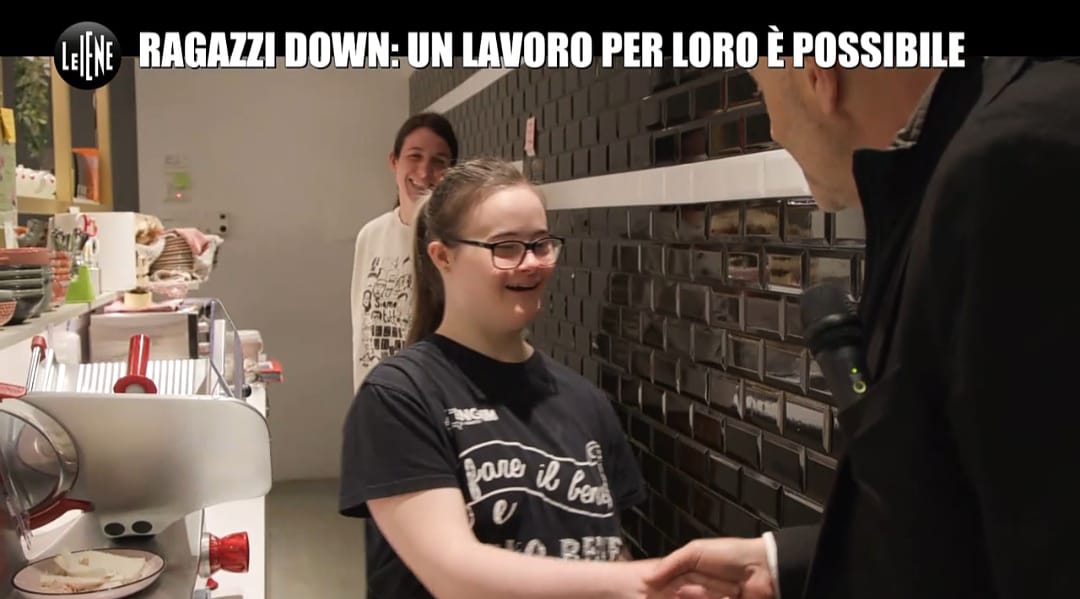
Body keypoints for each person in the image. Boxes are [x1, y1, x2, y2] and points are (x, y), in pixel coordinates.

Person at [644, 57, 1080, 599]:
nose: (773, 128)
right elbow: (968, 514)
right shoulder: (965, 164)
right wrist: (783, 565)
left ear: (819, 75)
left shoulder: (1016, 164)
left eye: (760, 89)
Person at [339, 157, 738, 599]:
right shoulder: (399, 398)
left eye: (541, 244)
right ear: (443, 256)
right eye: (506, 247)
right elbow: (456, 578)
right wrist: (643, 582)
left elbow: (606, 553)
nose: (531, 263)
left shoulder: (584, 401)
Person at [350, 112, 459, 392]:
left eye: (438, 161)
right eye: (414, 156)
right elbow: (361, 332)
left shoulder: (458, 244)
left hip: (431, 401)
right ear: (394, 162)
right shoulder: (370, 235)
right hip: (376, 399)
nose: (424, 173)